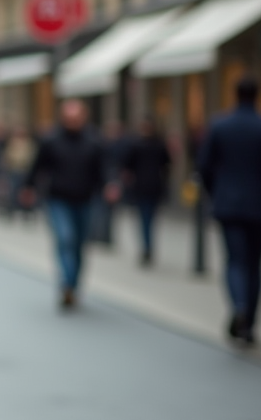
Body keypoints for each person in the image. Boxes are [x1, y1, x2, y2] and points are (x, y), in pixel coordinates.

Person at [198, 77, 261, 346]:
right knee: (255, 265)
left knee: (235, 260)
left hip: (227, 203)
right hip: (259, 203)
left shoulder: (220, 125)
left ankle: (239, 306)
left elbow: (204, 166)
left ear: (235, 94)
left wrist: (215, 193)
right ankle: (250, 323)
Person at [22, 99, 107, 309]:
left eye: (76, 118)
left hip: (85, 199)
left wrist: (108, 186)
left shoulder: (93, 141)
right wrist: (29, 187)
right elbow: (37, 166)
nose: (72, 121)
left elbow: (102, 169)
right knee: (65, 238)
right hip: (58, 199)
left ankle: (74, 285)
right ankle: (67, 284)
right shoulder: (51, 140)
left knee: (79, 244)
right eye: (69, 118)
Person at [122, 117, 171, 266]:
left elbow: (127, 165)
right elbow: (167, 163)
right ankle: (148, 247)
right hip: (153, 186)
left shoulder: (137, 144)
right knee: (149, 219)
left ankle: (147, 247)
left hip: (143, 186)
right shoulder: (158, 144)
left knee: (145, 219)